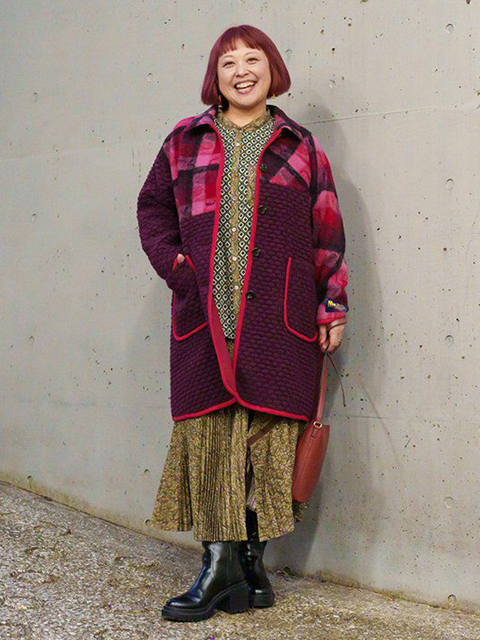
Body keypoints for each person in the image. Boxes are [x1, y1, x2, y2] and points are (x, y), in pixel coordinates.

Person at [136, 24, 348, 623]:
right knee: (211, 436)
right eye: (228, 63)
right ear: (216, 77)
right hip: (207, 312)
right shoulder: (185, 141)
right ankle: (220, 565)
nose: (241, 71)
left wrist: (332, 304)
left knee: (268, 441)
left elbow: (327, 230)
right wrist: (178, 268)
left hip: (278, 317)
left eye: (252, 59)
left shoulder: (301, 147)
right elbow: (153, 209)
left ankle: (252, 563)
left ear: (271, 69)